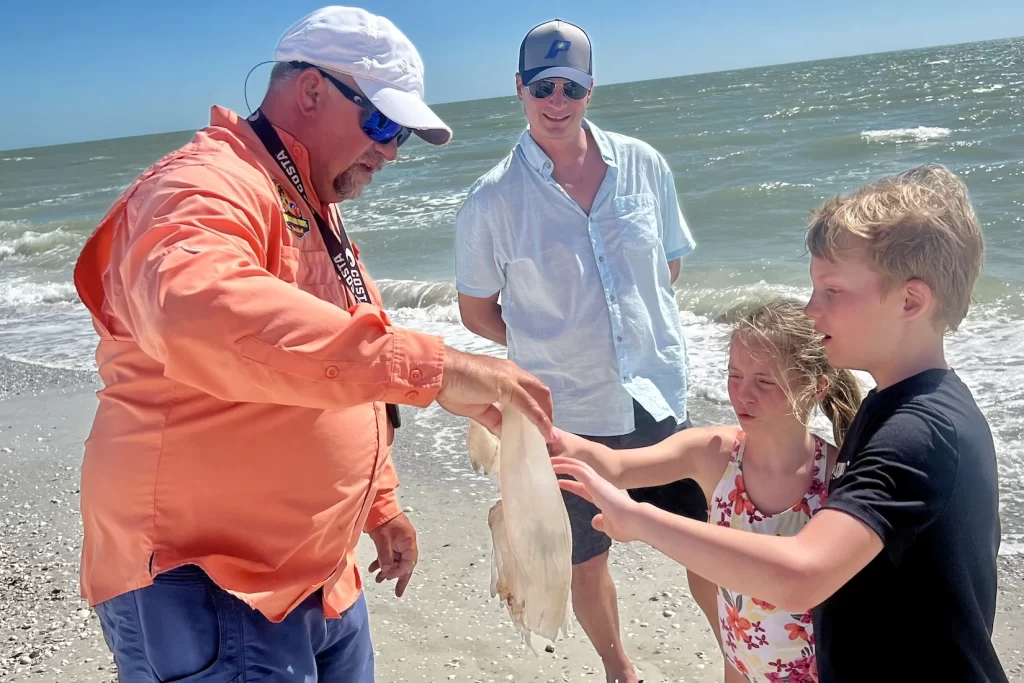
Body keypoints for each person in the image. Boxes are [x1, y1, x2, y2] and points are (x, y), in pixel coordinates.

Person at [71, 7, 554, 682]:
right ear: (310, 91)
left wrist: (381, 506)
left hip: (321, 573)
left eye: (402, 137)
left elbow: (335, 364)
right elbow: (194, 308)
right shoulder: (205, 184)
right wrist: (436, 369)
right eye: (383, 124)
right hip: (213, 582)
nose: (389, 150)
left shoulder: (310, 205)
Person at [551, 164, 1008, 683]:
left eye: (832, 291)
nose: (812, 311)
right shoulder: (894, 406)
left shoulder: (917, 432)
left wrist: (638, 520)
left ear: (910, 301)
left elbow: (800, 574)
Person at [454, 17, 707, 683]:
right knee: (585, 556)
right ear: (519, 88)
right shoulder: (491, 200)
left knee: (704, 542)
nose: (557, 100)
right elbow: (476, 310)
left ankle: (737, 661)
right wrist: (553, 337)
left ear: (591, 87)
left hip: (656, 392)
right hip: (566, 410)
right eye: (543, 86)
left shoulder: (644, 165)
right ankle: (620, 669)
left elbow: (668, 268)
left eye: (571, 85)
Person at [552, 299, 862, 682]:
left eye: (764, 381)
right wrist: (539, 430)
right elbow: (615, 466)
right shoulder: (714, 455)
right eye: (735, 375)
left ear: (816, 389)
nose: (743, 393)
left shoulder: (838, 475)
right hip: (740, 664)